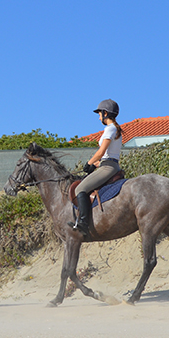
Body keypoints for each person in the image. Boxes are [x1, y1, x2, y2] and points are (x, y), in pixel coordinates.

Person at [72, 99, 124, 237]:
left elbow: (101, 152)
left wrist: (89, 163)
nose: (99, 117)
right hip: (107, 164)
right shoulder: (115, 129)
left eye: (100, 114)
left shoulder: (110, 129)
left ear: (105, 113)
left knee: (80, 189)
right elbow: (108, 154)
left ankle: (83, 223)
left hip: (108, 167)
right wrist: (96, 164)